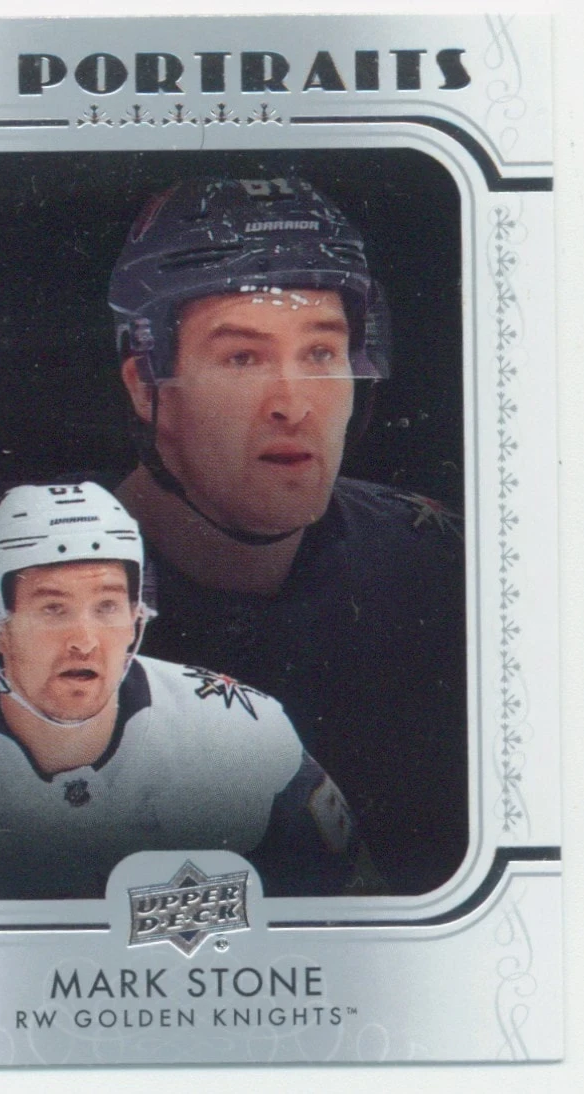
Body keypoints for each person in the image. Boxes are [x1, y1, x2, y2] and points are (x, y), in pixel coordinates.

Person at [108, 176, 467, 894]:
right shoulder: (38, 596)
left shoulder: (438, 559)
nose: (293, 405)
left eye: (321, 354)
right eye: (241, 358)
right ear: (147, 385)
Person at [0, 481, 380, 901]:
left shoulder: (241, 732)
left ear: (135, 617)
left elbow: (354, 901)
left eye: (107, 606)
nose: (85, 641)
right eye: (53, 609)